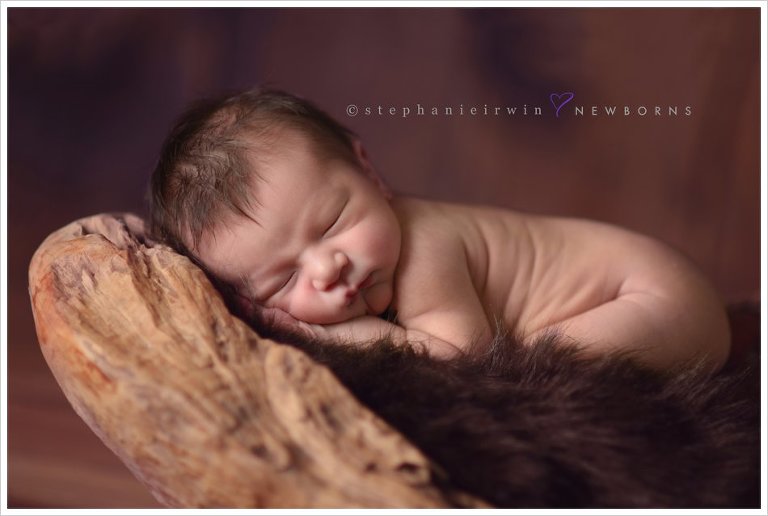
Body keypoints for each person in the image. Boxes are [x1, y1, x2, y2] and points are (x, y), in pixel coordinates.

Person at [150, 87, 730, 371]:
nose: (327, 268)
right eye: (282, 281)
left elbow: (461, 357)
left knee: (532, 370)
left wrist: (338, 337)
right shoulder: (374, 251)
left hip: (657, 299)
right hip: (649, 295)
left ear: (370, 172)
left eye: (332, 223)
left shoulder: (425, 244)